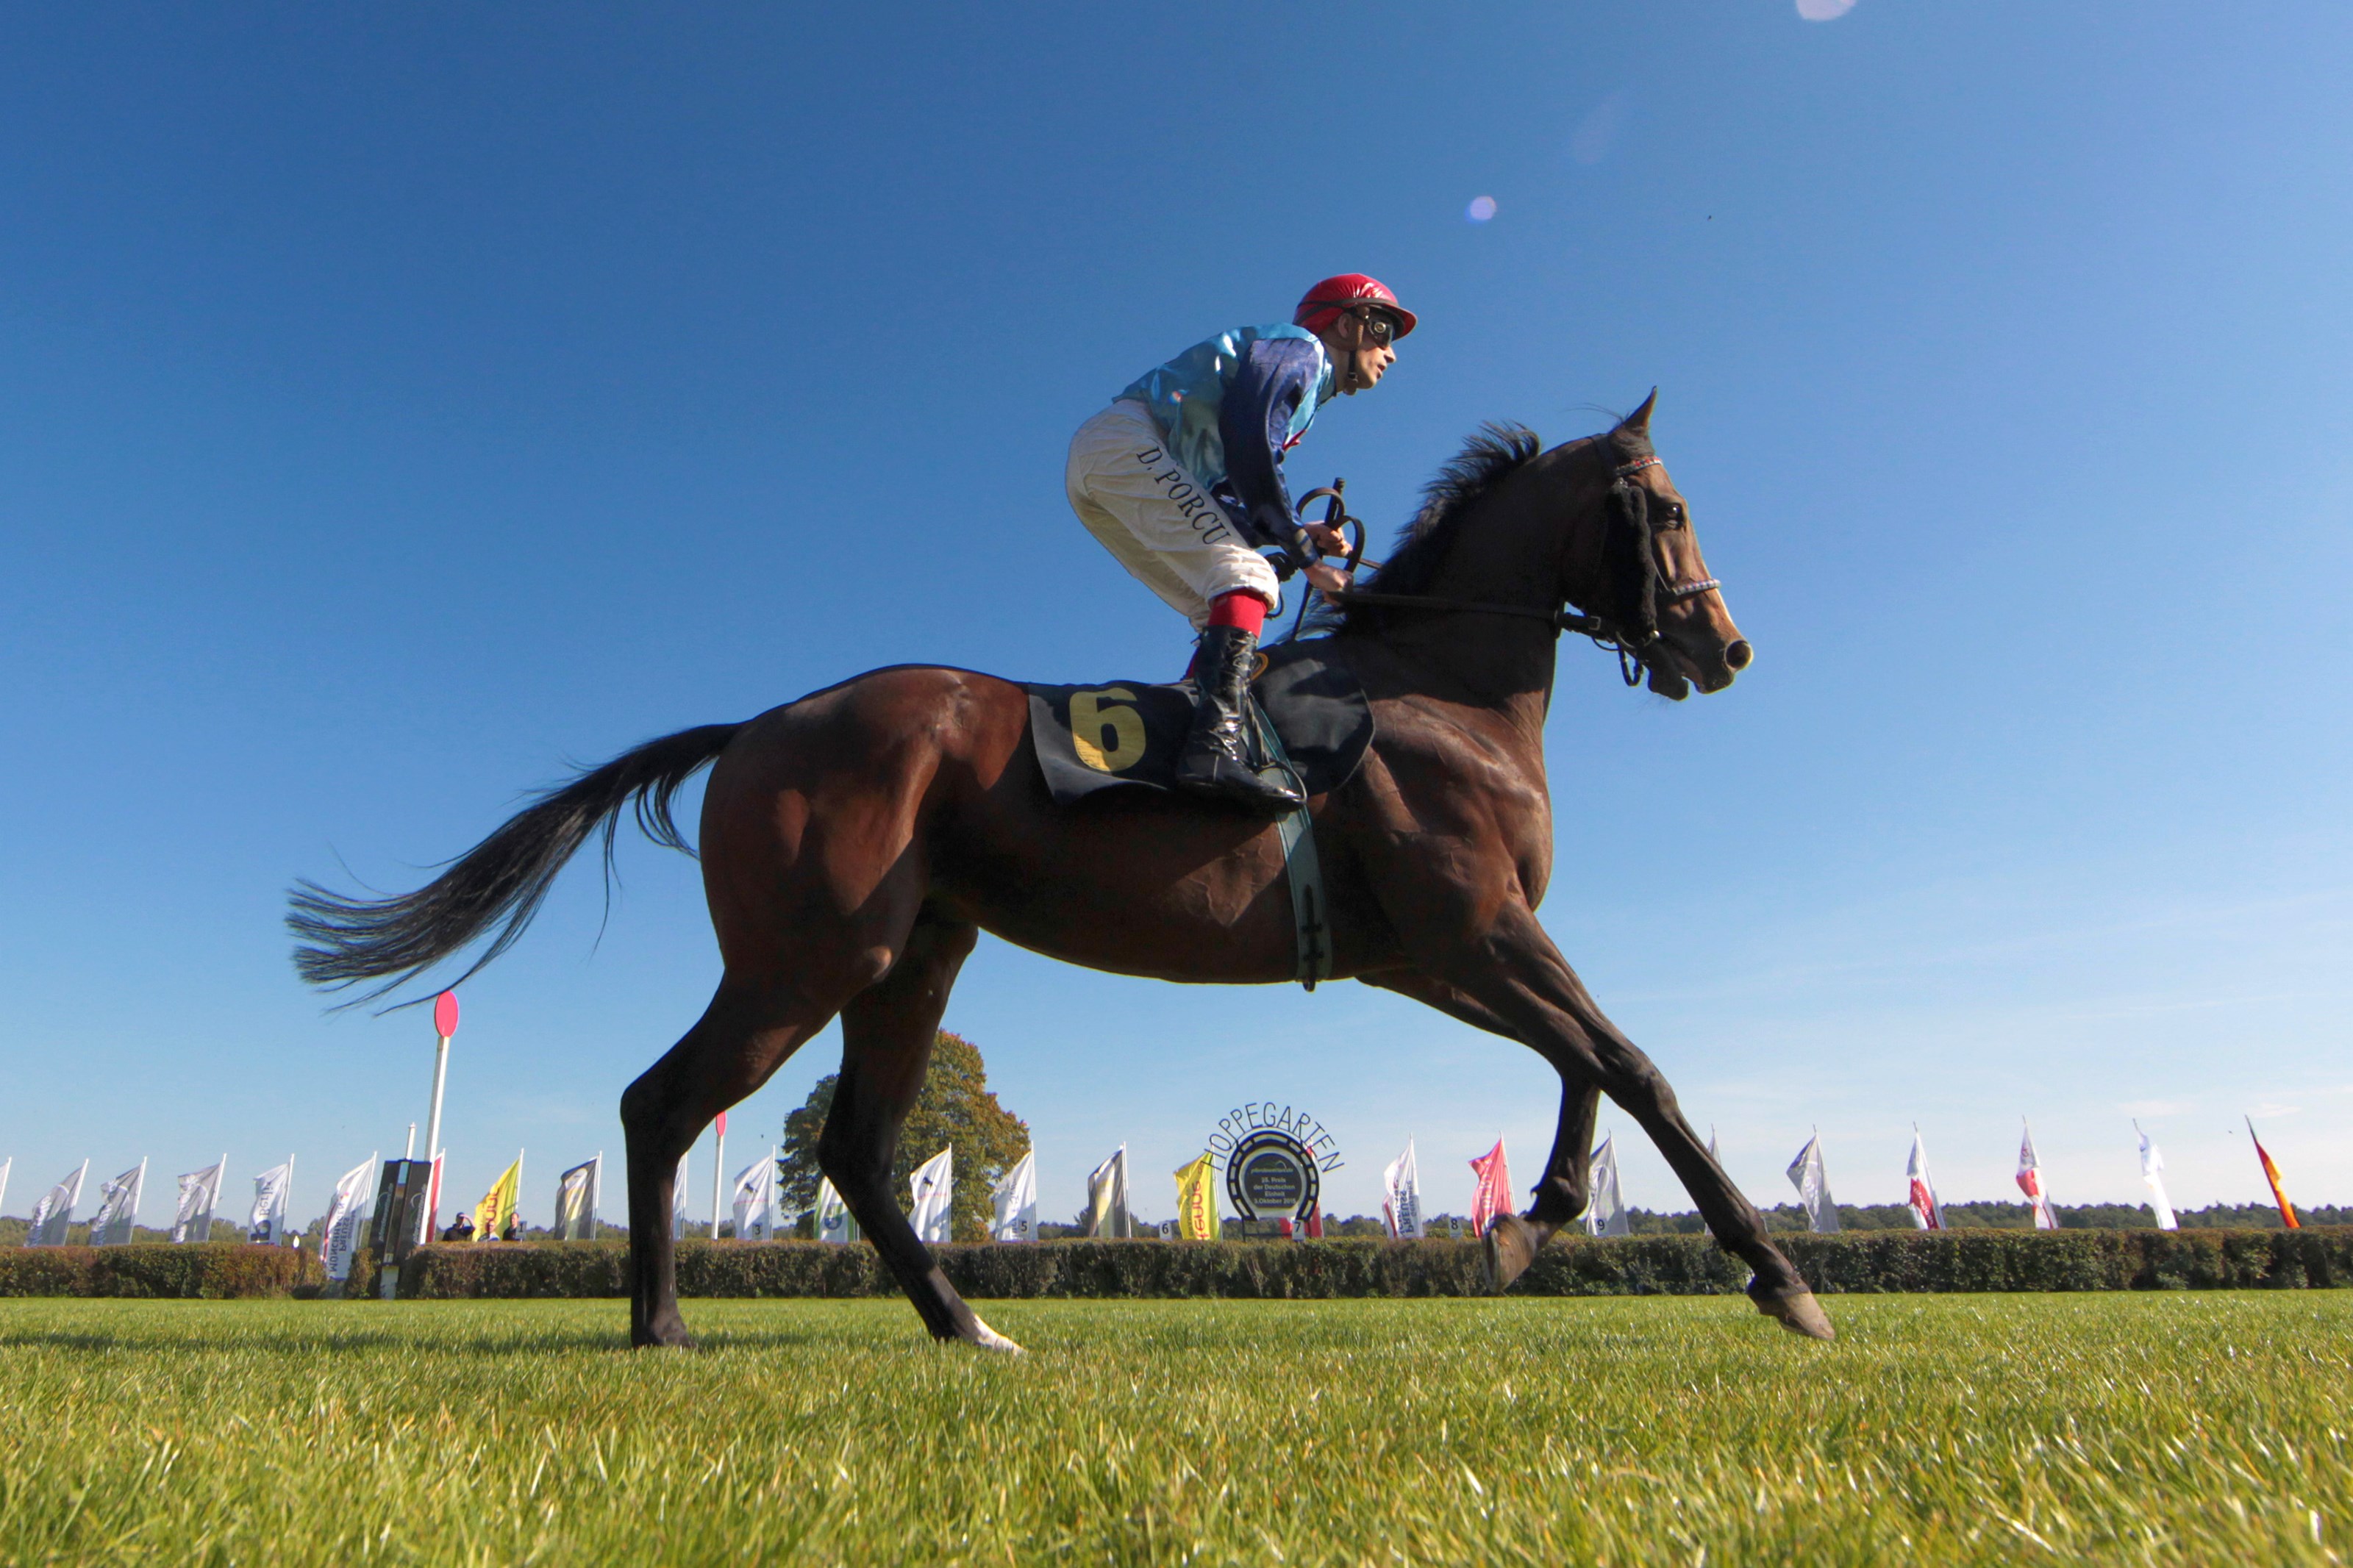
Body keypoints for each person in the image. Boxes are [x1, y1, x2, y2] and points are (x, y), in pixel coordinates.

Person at [1066, 274, 1414, 814]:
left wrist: (1295, 532)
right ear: (1348, 324)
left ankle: (1184, 742)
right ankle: (1212, 749)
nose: (1390, 354)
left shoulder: (1305, 386)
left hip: (1106, 466)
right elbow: (1249, 440)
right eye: (1384, 331)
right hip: (1129, 444)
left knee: (1221, 601)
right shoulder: (1301, 350)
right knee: (1247, 576)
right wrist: (1303, 552)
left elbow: (1228, 496)